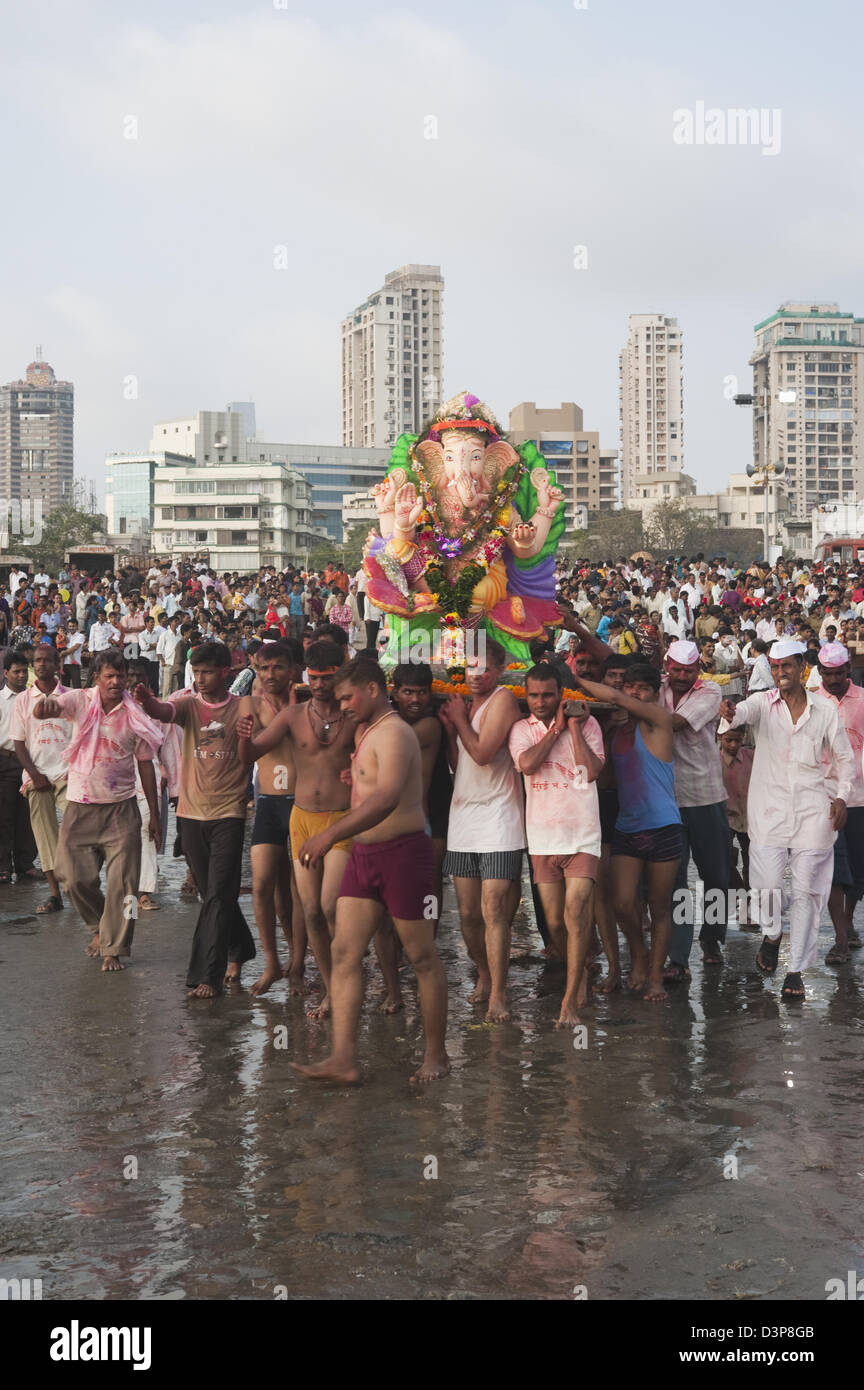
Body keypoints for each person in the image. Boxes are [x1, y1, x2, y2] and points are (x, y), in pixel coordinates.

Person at [291, 659, 450, 1084]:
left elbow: (387, 799)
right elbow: (369, 788)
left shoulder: (397, 732)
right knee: (344, 951)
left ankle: (437, 1056)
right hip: (364, 855)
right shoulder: (366, 732)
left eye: (348, 697)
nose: (342, 706)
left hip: (403, 852)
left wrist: (328, 837)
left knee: (420, 956)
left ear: (374, 690)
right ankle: (343, 1058)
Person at [720, 640, 854, 1001]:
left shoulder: (824, 710)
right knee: (766, 884)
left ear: (802, 667)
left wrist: (842, 796)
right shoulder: (762, 704)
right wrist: (731, 711)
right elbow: (741, 713)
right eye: (775, 667)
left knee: (809, 888)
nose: (781, 673)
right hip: (768, 813)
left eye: (787, 666)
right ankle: (772, 933)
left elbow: (844, 758)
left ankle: (794, 969)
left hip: (814, 810)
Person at [239, 639, 355, 1019]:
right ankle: (331, 988)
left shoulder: (355, 714)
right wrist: (242, 738)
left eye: (328, 677)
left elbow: (376, 754)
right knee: (311, 911)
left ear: (341, 673)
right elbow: (253, 754)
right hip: (301, 819)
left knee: (328, 906)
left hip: (340, 820)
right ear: (306, 675)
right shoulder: (292, 716)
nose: (321, 685)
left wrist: (359, 770)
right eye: (315, 678)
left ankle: (345, 978)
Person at [135, 641, 256, 997]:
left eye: (207, 672)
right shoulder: (188, 703)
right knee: (212, 893)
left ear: (225, 672)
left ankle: (208, 975)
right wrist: (146, 701)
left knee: (219, 894)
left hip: (229, 813)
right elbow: (162, 710)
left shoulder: (242, 707)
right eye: (196, 672)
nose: (200, 679)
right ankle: (241, 949)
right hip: (190, 812)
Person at [33, 650, 162, 971]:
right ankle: (100, 928)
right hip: (81, 806)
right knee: (72, 877)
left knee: (127, 889)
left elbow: (146, 766)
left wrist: (155, 814)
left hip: (123, 810)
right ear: (97, 678)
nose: (117, 682)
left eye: (122, 676)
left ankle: (114, 948)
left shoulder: (137, 717)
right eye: (110, 676)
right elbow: (51, 707)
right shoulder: (80, 700)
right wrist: (44, 706)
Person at [575, 663, 682, 1003]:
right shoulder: (617, 730)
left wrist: (574, 679)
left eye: (640, 689)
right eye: (629, 687)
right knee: (622, 903)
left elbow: (614, 696)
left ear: (654, 693)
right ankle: (639, 954)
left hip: (663, 824)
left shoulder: (659, 719)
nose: (632, 694)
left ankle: (654, 978)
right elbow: (603, 777)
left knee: (660, 907)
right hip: (628, 826)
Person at [509, 665, 605, 1026]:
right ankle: (577, 974)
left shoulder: (589, 725)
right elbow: (528, 765)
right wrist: (555, 729)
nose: (540, 702)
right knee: (554, 922)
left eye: (547, 695)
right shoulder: (521, 730)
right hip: (543, 838)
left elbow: (591, 771)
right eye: (533, 696)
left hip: (582, 834)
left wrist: (575, 728)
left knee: (575, 912)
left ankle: (569, 1002)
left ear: (561, 695)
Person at [439, 638, 525, 1022]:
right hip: (464, 816)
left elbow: (485, 754)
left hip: (499, 816)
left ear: (499, 669)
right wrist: (451, 728)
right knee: (469, 914)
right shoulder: (468, 703)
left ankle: (500, 994)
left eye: (484, 668)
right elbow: (461, 763)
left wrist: (458, 719)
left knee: (493, 910)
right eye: (470, 668)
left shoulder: (503, 699)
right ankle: (485, 974)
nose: (476, 675)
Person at [658, 639, 731, 981]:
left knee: (716, 876)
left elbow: (675, 723)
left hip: (706, 796)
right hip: (667, 799)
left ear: (698, 670)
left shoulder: (710, 691)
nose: (682, 675)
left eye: (689, 670)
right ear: (666, 664)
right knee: (676, 882)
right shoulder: (655, 687)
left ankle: (712, 938)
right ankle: (679, 958)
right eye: (676, 669)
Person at [244, 640, 309, 997]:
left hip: (302, 804)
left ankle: (297, 964)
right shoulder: (250, 705)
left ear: (293, 671)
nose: (270, 675)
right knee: (263, 883)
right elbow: (246, 749)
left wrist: (295, 711)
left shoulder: (310, 704)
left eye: (278, 668)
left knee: (299, 893)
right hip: (268, 802)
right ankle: (272, 961)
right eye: (264, 669)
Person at [812, 642, 864, 964]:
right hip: (824, 798)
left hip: (860, 797)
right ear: (819, 673)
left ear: (848, 670)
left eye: (838, 673)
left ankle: (847, 923)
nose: (833, 679)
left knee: (858, 870)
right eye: (827, 674)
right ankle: (841, 937)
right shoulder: (812, 703)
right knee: (831, 870)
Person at [11, 644, 72, 913]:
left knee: (79, 835)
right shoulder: (24, 700)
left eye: (48, 660)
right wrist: (35, 775)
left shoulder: (71, 697)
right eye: (38, 660)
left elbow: (81, 737)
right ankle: (55, 895)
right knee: (46, 838)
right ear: (33, 664)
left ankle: (79, 885)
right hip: (37, 778)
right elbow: (19, 744)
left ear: (58, 663)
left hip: (69, 776)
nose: (42, 664)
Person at [0, 650, 38, 884]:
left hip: (30, 762)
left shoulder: (33, 699)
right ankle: (3, 866)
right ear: (6, 674)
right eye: (17, 672)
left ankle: (25, 864)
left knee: (28, 816)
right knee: (3, 816)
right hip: (4, 761)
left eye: (25, 671)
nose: (22, 676)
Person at [718, 717, 756, 930]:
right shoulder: (712, 761)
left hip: (750, 817)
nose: (733, 745)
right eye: (728, 740)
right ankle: (740, 899)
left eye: (737, 741)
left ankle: (747, 908)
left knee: (752, 864)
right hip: (725, 818)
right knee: (726, 861)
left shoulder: (752, 758)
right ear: (720, 737)